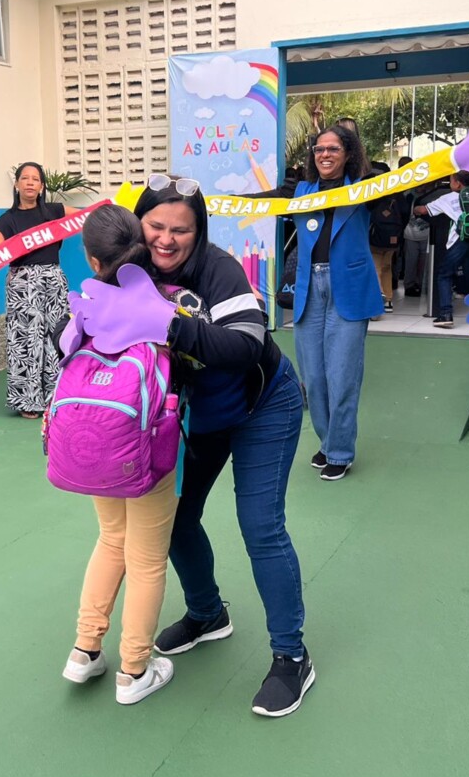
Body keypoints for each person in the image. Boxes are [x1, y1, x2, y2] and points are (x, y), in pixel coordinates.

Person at [72, 174, 314, 717]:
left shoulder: (219, 271)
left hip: (261, 406)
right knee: (177, 521)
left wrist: (170, 325)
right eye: (155, 226)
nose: (166, 239)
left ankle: (291, 656)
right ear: (139, 224)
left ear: (198, 231)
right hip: (194, 419)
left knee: (261, 526)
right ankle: (208, 614)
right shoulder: (128, 271)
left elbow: (247, 345)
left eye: (180, 230)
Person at [58, 205, 182, 705]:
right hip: (146, 450)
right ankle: (134, 670)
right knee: (147, 559)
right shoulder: (166, 304)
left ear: (92, 260)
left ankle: (85, 650)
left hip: (93, 448)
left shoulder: (83, 309)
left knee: (112, 539)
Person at [289, 123, 380, 480]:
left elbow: (405, 183)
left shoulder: (367, 187)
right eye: (319, 149)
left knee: (342, 376)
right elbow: (258, 200)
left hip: (349, 288)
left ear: (348, 153)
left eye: (333, 148)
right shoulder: (300, 190)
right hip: (309, 289)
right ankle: (328, 443)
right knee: (313, 378)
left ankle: (340, 452)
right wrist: (209, 203)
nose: (324, 154)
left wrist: (454, 159)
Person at [0, 163, 78, 418]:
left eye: (36, 179)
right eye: (25, 178)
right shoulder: (7, 221)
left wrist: (119, 206)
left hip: (53, 279)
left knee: (57, 335)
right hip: (22, 284)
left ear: (42, 186)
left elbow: (92, 217)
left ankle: (56, 397)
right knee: (26, 340)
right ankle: (28, 401)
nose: (30, 182)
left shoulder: (55, 211)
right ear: (17, 184)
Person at [413, 170, 469, 329]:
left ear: (458, 184)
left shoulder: (448, 198)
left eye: (451, 180)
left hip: (460, 240)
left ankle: (445, 314)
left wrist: (415, 209)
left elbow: (423, 210)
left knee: (445, 274)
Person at [366, 160, 409, 314]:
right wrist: (398, 230)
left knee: (376, 267)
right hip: (393, 237)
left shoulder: (371, 190)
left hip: (374, 236)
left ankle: (378, 299)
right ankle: (389, 300)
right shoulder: (396, 192)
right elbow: (405, 212)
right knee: (387, 267)